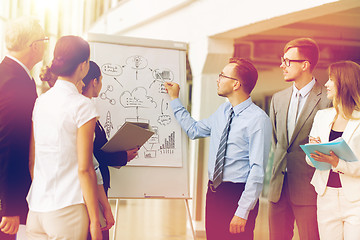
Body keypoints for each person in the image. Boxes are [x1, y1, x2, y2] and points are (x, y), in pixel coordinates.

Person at [164, 57, 271, 240]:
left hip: (236, 194)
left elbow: (257, 171)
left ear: (236, 84)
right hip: (214, 192)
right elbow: (194, 130)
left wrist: (242, 211)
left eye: (222, 75)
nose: (217, 79)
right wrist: (175, 99)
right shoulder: (223, 111)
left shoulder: (258, 120)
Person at [26, 35, 102, 240]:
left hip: (37, 209)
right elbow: (85, 169)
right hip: (68, 209)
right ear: (83, 65)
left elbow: (33, 161)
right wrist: (95, 221)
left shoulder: (41, 102)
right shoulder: (83, 105)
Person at [268, 37, 332, 240]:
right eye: (282, 59)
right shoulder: (278, 99)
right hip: (278, 188)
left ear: (305, 65)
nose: (282, 65)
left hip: (309, 190)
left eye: (288, 61)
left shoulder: (327, 100)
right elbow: (277, 143)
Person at [0, 16, 46, 239]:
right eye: (44, 39)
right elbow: (8, 143)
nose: (46, 44)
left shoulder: (14, 75)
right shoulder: (13, 81)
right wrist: (9, 207)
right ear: (34, 46)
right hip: (9, 200)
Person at [81, 61, 138, 240]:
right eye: (101, 80)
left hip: (94, 187)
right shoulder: (84, 111)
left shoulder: (86, 109)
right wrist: (122, 156)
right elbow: (92, 158)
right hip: (91, 189)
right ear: (94, 81)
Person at [306, 60, 360, 239]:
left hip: (355, 199)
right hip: (325, 195)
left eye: (331, 79)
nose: (326, 84)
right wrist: (313, 152)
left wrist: (337, 162)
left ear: (345, 83)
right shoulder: (322, 116)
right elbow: (310, 160)